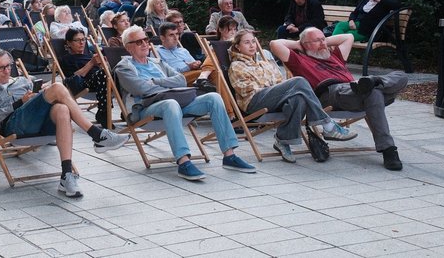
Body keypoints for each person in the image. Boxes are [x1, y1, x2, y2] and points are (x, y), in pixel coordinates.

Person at [0, 48, 129, 197]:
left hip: (37, 120)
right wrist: (19, 102)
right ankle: (97, 135)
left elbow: (42, 98)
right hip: (13, 125)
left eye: (8, 66)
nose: (7, 71)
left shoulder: (22, 81)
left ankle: (66, 175)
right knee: (58, 87)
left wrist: (41, 94)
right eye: (1, 68)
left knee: (62, 109)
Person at [115, 26, 256, 180]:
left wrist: (155, 81)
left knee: (213, 98)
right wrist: (167, 84)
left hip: (175, 102)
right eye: (138, 42)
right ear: (128, 47)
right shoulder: (124, 67)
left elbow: (181, 79)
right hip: (146, 109)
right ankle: (183, 162)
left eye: (146, 40)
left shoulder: (157, 62)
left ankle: (229, 156)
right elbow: (141, 89)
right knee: (170, 104)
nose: (144, 44)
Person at [270, 28, 408, 170]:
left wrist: (322, 41)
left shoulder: (335, 55)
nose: (323, 43)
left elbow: (348, 37)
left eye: (323, 39)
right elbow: (275, 44)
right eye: (317, 41)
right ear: (305, 44)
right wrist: (299, 44)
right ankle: (389, 151)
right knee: (373, 92)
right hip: (331, 94)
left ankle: (374, 82)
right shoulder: (299, 60)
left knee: (399, 77)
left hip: (356, 92)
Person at [228, 30, 356, 163]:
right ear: (237, 46)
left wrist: (276, 89)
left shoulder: (264, 63)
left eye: (253, 41)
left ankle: (282, 140)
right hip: (253, 102)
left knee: (298, 98)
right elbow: (245, 90)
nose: (252, 45)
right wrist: (274, 88)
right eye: (247, 42)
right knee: (299, 81)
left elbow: (278, 80)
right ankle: (328, 125)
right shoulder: (236, 65)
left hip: (271, 98)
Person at [60, 28, 109, 126]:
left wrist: (105, 64)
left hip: (102, 83)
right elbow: (73, 78)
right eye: (77, 40)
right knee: (102, 75)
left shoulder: (90, 55)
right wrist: (91, 63)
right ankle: (104, 113)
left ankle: (120, 112)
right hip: (83, 84)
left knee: (116, 73)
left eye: (83, 39)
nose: (81, 42)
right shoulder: (65, 59)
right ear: (69, 43)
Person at [333, 0, 401, 42]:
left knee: (347, 35)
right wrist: (351, 20)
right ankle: (333, 48)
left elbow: (398, 6)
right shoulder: (365, 1)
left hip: (367, 31)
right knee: (340, 25)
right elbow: (355, 13)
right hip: (356, 24)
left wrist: (380, 1)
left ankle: (332, 49)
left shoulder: (384, 3)